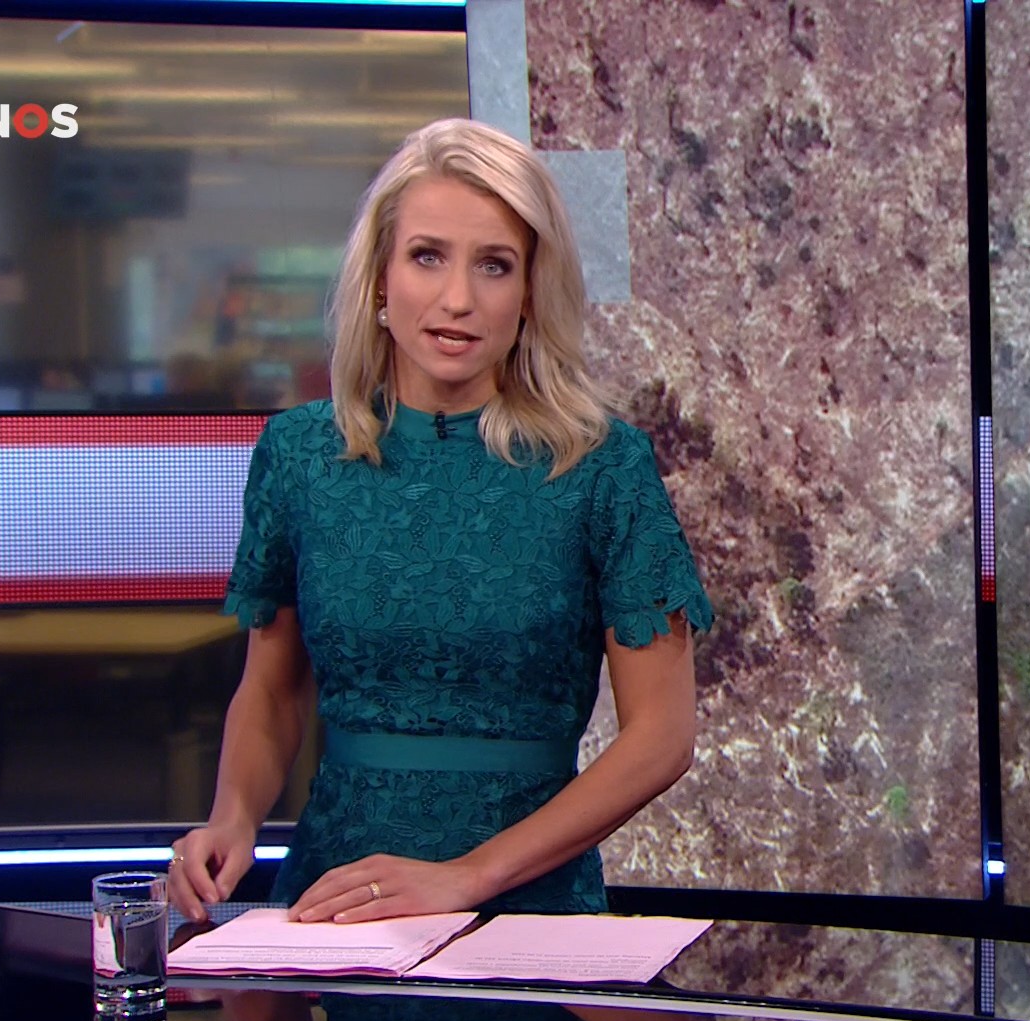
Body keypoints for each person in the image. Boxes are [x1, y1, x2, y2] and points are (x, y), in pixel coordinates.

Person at [167, 117, 713, 933]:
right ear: (380, 280)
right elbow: (273, 689)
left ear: (529, 294)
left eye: (494, 265)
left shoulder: (603, 467)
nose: (458, 298)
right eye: (427, 256)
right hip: (334, 902)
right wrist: (233, 817)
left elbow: (662, 738)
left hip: (527, 910)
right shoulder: (300, 455)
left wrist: (467, 878)